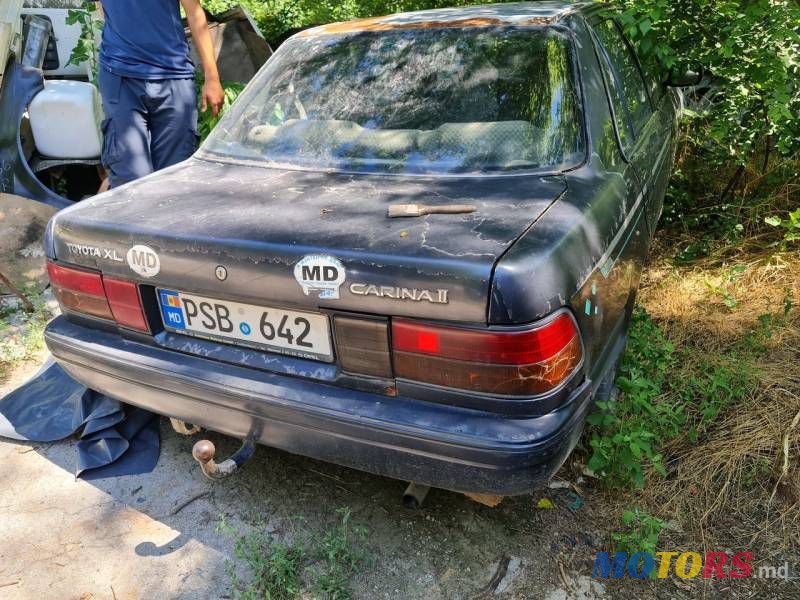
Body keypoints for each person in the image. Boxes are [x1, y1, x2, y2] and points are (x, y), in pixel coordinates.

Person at [95, 0, 224, 188]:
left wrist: (212, 77)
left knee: (174, 178)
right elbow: (102, 8)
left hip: (174, 75)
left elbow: (195, 13)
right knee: (130, 180)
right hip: (120, 75)